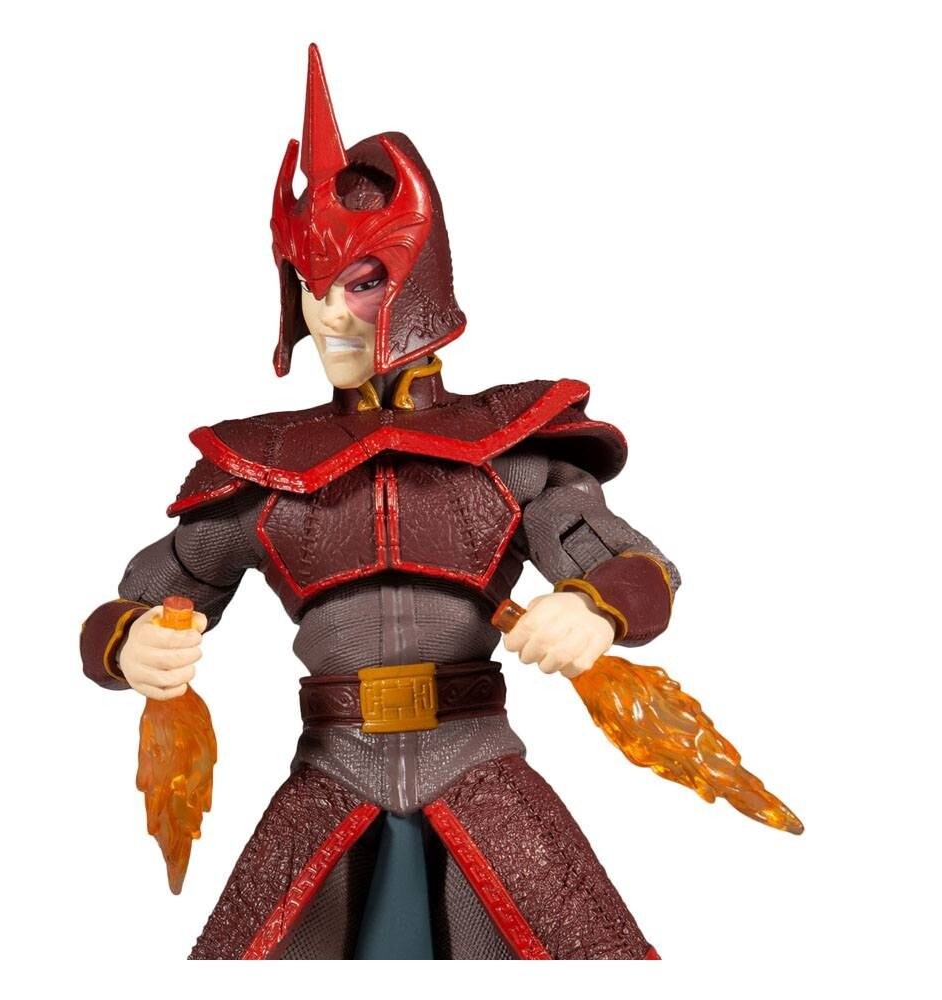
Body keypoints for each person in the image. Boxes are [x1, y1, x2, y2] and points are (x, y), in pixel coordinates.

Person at [80, 44, 678, 960]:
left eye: (359, 284)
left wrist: (595, 608)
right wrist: (133, 645)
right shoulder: (265, 468)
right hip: (331, 775)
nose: (329, 316)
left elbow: (634, 566)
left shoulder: (510, 451)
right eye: (311, 286)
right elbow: (146, 595)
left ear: (417, 284)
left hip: (479, 770)